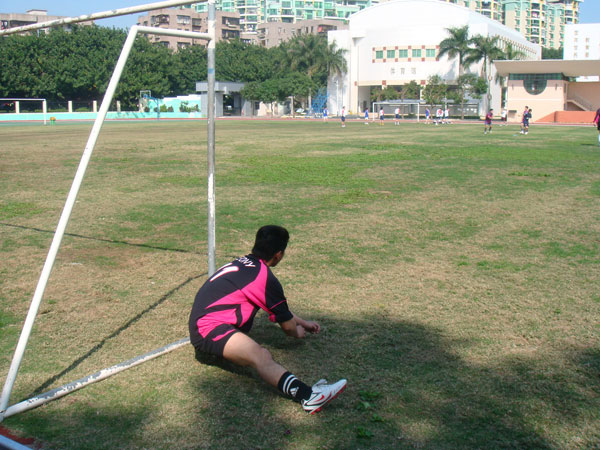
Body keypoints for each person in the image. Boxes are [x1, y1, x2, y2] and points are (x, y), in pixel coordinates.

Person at [189, 225, 347, 414]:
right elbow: (288, 328)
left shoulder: (244, 263)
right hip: (208, 329)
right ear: (278, 255)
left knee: (257, 352)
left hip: (202, 321)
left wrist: (304, 323)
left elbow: (279, 310)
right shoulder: (264, 279)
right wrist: (297, 332)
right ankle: (308, 397)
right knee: (261, 356)